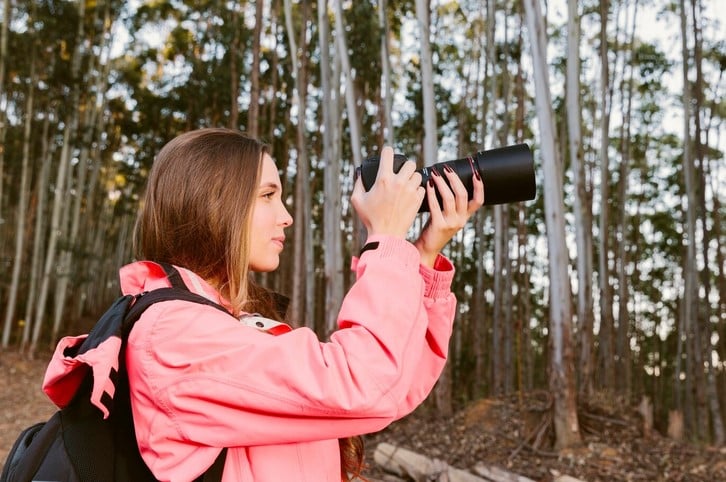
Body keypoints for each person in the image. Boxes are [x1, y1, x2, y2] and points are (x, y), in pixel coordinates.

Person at [42, 127, 485, 481]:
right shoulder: (173, 335)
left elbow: (391, 393)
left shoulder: (231, 325)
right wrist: (387, 242)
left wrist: (423, 257)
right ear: (216, 203)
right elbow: (362, 384)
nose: (286, 215)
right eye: (268, 195)